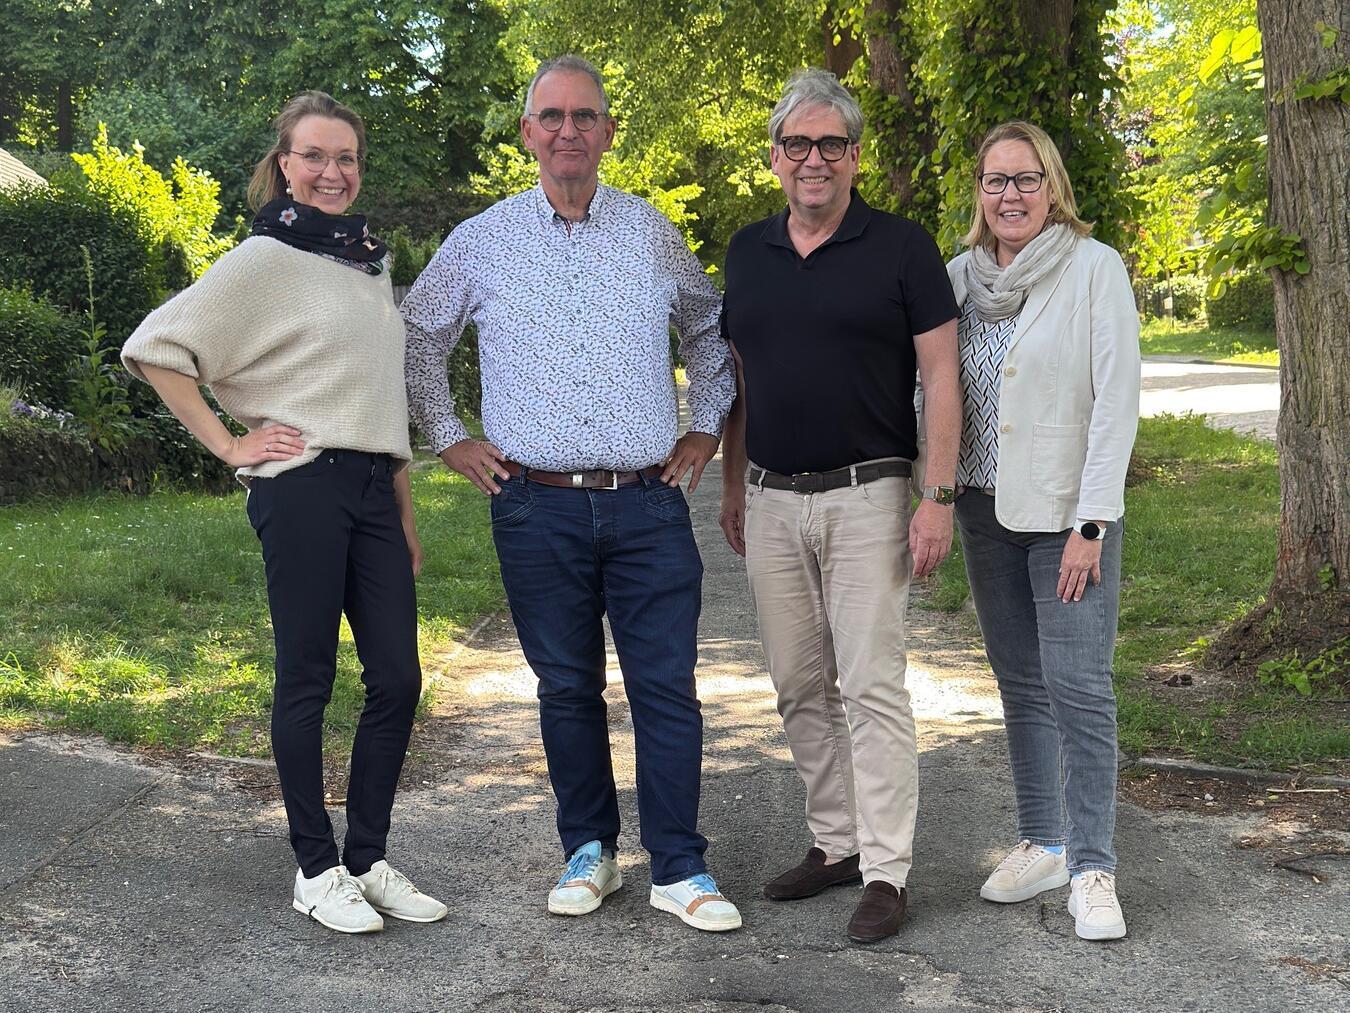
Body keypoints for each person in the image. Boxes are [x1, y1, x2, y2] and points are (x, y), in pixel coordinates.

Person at [401, 55, 741, 932]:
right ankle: (589, 851)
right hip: (534, 502)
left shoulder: (653, 233)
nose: (567, 132)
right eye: (550, 117)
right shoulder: (482, 239)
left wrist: (705, 426)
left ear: (607, 131)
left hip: (648, 502)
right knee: (566, 687)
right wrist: (449, 436)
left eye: (584, 116)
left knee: (666, 685)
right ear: (527, 134)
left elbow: (711, 331)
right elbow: (416, 337)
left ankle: (679, 865)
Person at [121, 90, 445, 935]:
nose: (333, 172)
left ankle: (367, 857)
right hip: (301, 485)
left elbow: (379, 395)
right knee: (308, 675)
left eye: (347, 158)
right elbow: (156, 347)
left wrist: (404, 509)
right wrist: (230, 444)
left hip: (375, 487)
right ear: (286, 164)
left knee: (398, 678)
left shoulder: (369, 261)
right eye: (315, 156)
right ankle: (315, 864)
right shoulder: (264, 257)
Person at [718, 69, 961, 944]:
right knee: (797, 685)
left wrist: (936, 496)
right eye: (797, 145)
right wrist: (734, 482)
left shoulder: (902, 247)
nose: (813, 159)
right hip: (774, 498)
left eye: (830, 144)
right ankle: (836, 843)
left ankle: (888, 868)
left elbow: (940, 375)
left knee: (870, 684)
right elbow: (742, 380)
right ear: (776, 157)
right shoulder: (747, 253)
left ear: (854, 156)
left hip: (873, 492)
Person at [944, 120, 1140, 940]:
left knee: (1079, 687)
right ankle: (1046, 840)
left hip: (1068, 516)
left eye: (1026, 179)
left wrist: (1092, 523)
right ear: (979, 194)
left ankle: (1094, 865)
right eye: (996, 181)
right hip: (984, 510)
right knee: (1021, 684)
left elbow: (1115, 401)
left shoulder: (1095, 270)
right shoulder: (956, 278)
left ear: (1052, 187)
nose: (1011, 195)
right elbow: (933, 391)